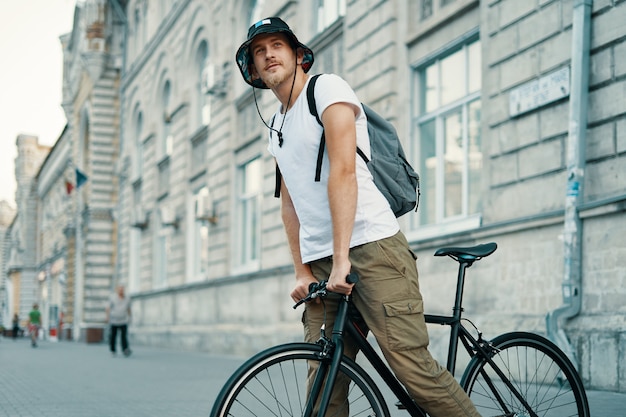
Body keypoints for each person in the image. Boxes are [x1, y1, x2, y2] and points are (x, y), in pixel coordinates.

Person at [235, 17, 481, 417]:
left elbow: (344, 171)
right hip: (321, 263)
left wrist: (344, 259)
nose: (268, 55)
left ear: (298, 55)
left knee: (412, 370)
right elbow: (290, 203)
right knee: (323, 381)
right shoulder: (276, 126)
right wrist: (301, 271)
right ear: (254, 70)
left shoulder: (327, 89)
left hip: (372, 247)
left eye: (276, 45)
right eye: (259, 52)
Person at [105, 285, 132, 357]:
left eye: (122, 289)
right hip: (114, 320)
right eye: (120, 290)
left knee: (124, 336)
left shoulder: (127, 298)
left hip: (123, 320)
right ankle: (113, 350)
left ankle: (125, 349)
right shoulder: (112, 298)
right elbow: (108, 308)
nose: (121, 291)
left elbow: (129, 308)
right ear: (117, 290)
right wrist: (107, 317)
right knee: (113, 336)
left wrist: (130, 317)